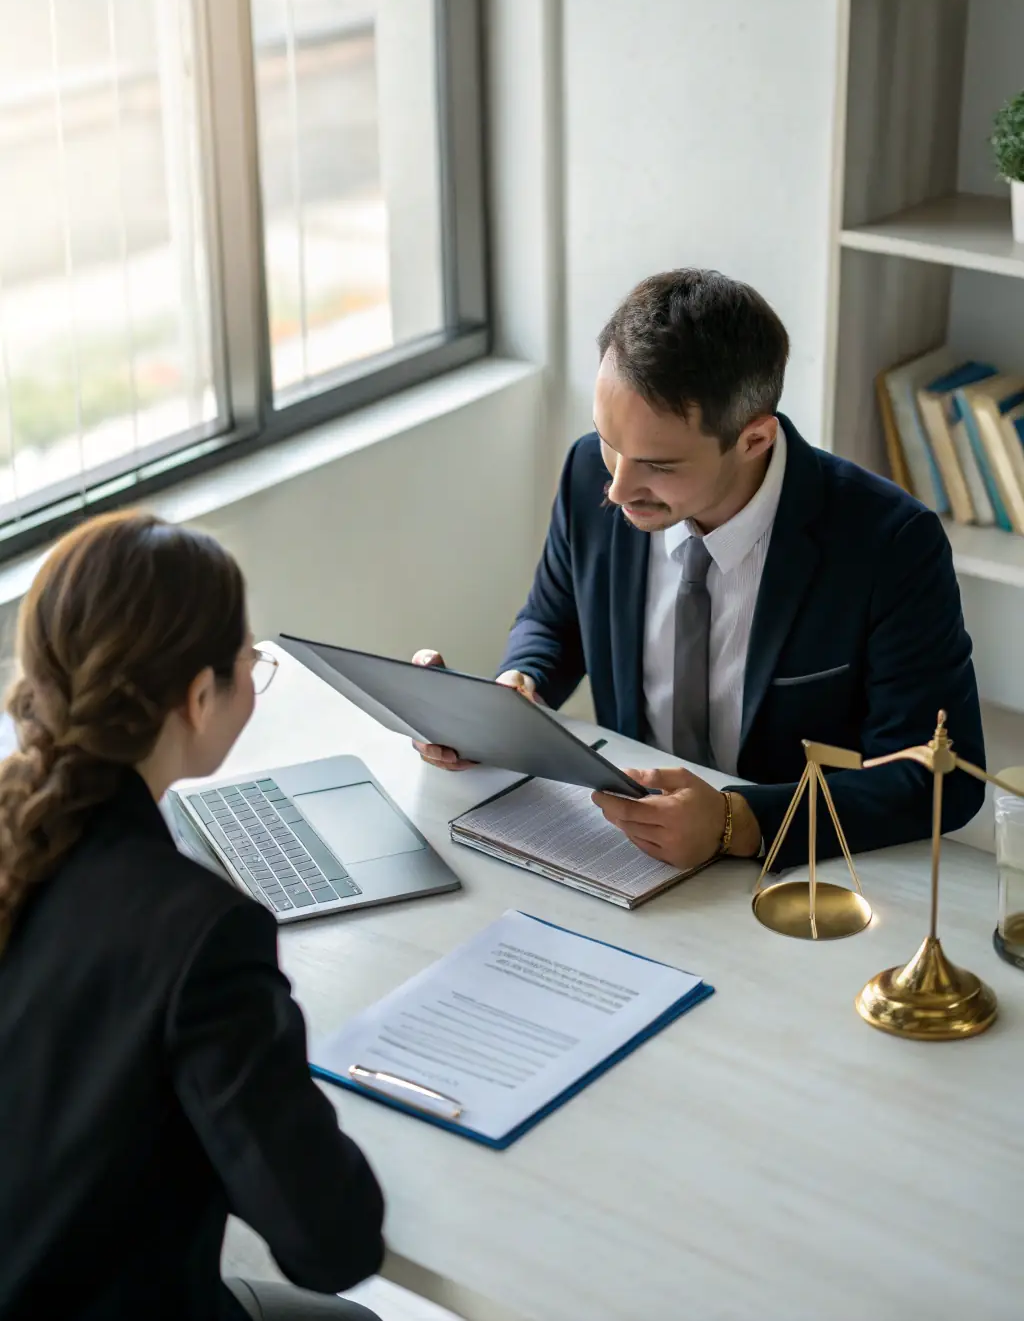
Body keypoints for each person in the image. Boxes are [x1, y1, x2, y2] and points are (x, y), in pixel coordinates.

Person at [414, 268, 985, 869]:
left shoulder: (890, 542)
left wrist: (737, 822)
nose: (618, 487)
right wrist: (512, 699)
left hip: (805, 876)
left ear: (755, 439)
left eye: (658, 465)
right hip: (625, 851)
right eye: (609, 440)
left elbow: (938, 778)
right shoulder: (591, 472)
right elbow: (555, 623)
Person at [0, 513, 384, 1321]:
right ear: (199, 696)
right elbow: (332, 1243)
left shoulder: (23, 838)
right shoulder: (203, 934)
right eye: (250, 664)